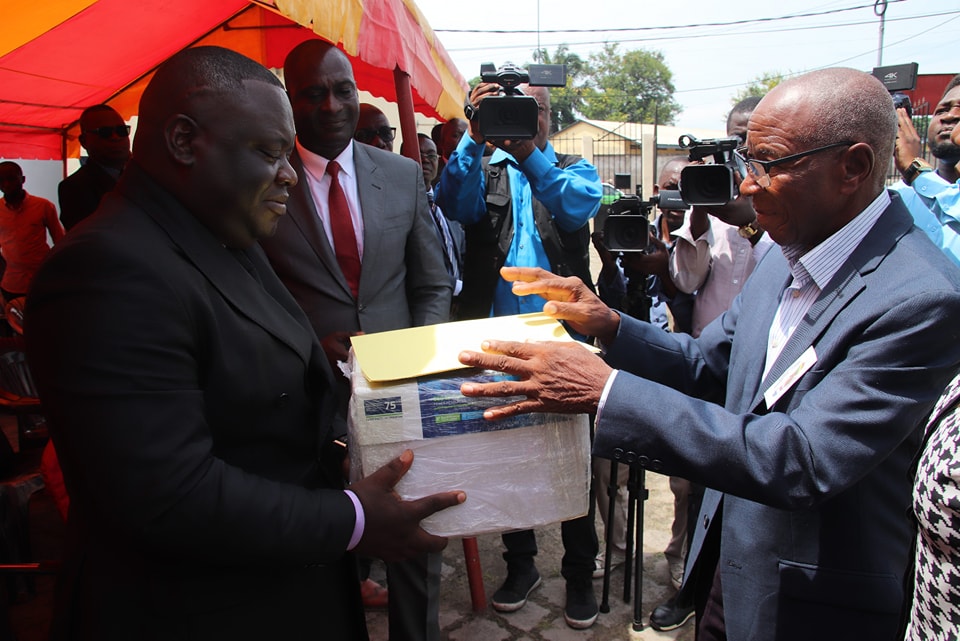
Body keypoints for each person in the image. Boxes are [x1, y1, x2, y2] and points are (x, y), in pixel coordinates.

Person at [455, 67, 960, 641]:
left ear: (854, 167)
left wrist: (605, 392)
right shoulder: (788, 251)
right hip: (727, 567)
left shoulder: (923, 298)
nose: (746, 187)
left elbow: (802, 459)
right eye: (746, 162)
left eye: (768, 164)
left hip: (814, 604)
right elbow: (706, 363)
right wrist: (612, 323)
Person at [23, 45, 462, 641]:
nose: (288, 174)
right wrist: (353, 518)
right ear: (184, 141)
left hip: (275, 587)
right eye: (268, 152)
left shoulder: (221, 235)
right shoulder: (107, 269)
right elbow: (169, 496)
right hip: (196, 610)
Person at [259, 39, 451, 641]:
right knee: (325, 541)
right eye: (313, 93)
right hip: (304, 399)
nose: (333, 105)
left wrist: (420, 357)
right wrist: (309, 343)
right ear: (291, 102)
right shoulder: (266, 180)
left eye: (343, 90)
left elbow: (431, 281)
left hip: (401, 390)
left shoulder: (399, 175)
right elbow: (254, 292)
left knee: (416, 532)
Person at [436, 80, 602, 629]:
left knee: (573, 457)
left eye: (531, 111)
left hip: (564, 338)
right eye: (507, 111)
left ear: (547, 116)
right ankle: (522, 564)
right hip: (499, 336)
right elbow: (451, 202)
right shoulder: (483, 170)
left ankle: (580, 573)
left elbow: (575, 209)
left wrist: (527, 153)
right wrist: (473, 133)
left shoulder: (575, 168)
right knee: (510, 453)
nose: (521, 120)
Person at [649, 97, 775, 632]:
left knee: (754, 490)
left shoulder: (775, 206)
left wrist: (752, 223)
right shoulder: (713, 205)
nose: (742, 159)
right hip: (712, 356)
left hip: (769, 372)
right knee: (696, 483)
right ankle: (690, 584)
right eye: (735, 141)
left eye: (753, 144)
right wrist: (699, 220)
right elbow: (685, 279)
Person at [891, 74, 960, 265]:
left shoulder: (916, 175)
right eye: (941, 110)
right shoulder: (898, 196)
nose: (949, 116)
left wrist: (915, 168)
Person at [57, 104, 131, 230]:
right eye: (105, 133)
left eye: (121, 130)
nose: (115, 137)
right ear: (84, 141)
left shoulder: (145, 174)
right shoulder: (74, 188)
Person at [0, 161, 64, 301]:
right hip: (11, 283)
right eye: (1, 180)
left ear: (23, 179)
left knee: (42, 321)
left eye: (11, 178)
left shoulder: (43, 206)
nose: (6, 184)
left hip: (41, 280)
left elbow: (60, 241)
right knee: (14, 322)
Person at [418, 133, 463, 305]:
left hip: (458, 307)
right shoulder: (402, 209)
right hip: (428, 305)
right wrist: (459, 287)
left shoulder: (445, 204)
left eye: (431, 155)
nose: (426, 160)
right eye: (420, 154)